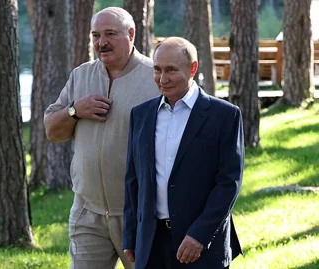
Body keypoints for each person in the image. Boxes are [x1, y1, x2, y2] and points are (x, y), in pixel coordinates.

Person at [44, 7, 159, 269]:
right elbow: (52, 131)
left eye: (110, 34)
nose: (101, 42)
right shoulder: (81, 75)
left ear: (131, 34)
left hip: (140, 215)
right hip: (88, 212)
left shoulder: (155, 76)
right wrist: (75, 110)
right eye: (96, 35)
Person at [123, 37, 244, 269]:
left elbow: (229, 183)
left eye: (171, 70)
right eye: (157, 69)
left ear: (193, 69)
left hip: (202, 244)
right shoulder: (140, 115)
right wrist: (131, 234)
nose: (162, 78)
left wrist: (200, 235)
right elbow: (133, 180)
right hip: (151, 242)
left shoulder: (225, 116)